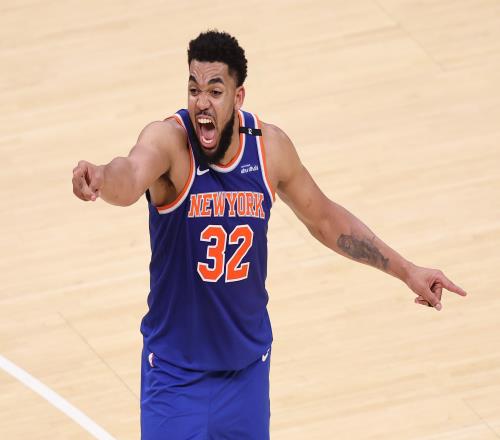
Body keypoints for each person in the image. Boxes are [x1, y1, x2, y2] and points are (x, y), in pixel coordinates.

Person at [72, 30, 467, 440]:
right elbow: (130, 174)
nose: (201, 102)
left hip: (246, 375)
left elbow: (325, 219)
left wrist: (407, 271)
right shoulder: (169, 141)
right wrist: (101, 177)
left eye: (214, 91)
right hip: (176, 379)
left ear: (238, 97)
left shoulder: (269, 149)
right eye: (193, 89)